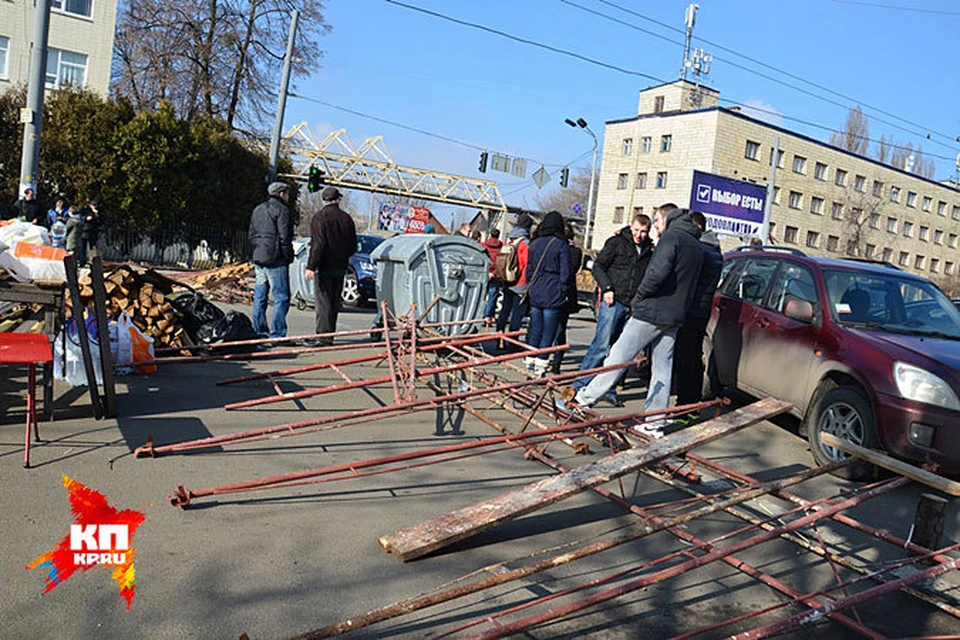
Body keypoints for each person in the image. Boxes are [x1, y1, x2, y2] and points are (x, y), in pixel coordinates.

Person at [565, 205, 705, 438]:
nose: (655, 227)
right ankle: (655, 423)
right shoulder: (695, 244)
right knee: (662, 369)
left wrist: (640, 297)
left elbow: (657, 273)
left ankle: (583, 400)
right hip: (674, 315)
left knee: (619, 354)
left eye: (657, 221)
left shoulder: (672, 238)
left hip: (652, 311)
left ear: (667, 218)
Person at [573, 213, 653, 405]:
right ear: (630, 227)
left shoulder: (650, 250)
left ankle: (610, 388)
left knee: (621, 350)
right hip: (613, 301)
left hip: (633, 305)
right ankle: (581, 384)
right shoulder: (617, 242)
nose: (639, 235)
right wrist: (607, 288)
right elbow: (598, 266)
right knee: (602, 344)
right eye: (636, 230)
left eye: (643, 232)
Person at [672, 211, 723, 415]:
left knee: (685, 359)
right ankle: (691, 405)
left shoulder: (700, 250)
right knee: (693, 358)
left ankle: (685, 406)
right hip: (702, 311)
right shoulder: (715, 250)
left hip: (690, 310)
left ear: (696, 228)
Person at [305, 186, 357, 344]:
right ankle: (329, 334)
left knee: (323, 302)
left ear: (323, 200)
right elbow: (353, 245)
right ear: (338, 200)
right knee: (334, 302)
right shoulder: (346, 218)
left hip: (324, 265)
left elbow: (318, 244)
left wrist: (311, 266)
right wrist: (343, 256)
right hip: (341, 266)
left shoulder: (320, 217)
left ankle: (322, 336)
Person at [523, 211, 570, 376]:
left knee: (535, 330)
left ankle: (530, 364)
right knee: (548, 333)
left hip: (536, 292)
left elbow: (528, 272)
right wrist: (563, 291)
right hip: (553, 293)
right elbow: (566, 273)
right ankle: (541, 367)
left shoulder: (534, 244)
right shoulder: (561, 244)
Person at [249, 181, 294, 339]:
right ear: (282, 194)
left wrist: (256, 250)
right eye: (287, 193)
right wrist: (288, 256)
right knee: (281, 296)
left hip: (259, 257)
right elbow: (284, 237)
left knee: (260, 296)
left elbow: (251, 234)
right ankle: (277, 333)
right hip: (275, 259)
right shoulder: (282, 210)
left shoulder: (257, 209)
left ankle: (259, 330)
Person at [550, 221, 583, 375]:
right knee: (560, 329)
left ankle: (552, 360)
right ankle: (556, 361)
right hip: (566, 293)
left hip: (558, 292)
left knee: (555, 328)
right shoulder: (575, 252)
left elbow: (568, 270)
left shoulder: (565, 251)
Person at [495, 212, 533, 335]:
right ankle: (512, 341)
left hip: (507, 280)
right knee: (517, 314)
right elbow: (526, 264)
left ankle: (499, 337)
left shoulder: (510, 240)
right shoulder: (524, 243)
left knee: (504, 311)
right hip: (520, 283)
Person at [482, 228, 504, 318]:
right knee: (493, 295)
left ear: (490, 235)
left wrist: (487, 272)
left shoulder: (484, 246)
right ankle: (487, 316)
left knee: (481, 295)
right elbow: (502, 262)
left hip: (484, 272)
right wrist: (493, 273)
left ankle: (478, 314)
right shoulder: (502, 247)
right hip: (496, 273)